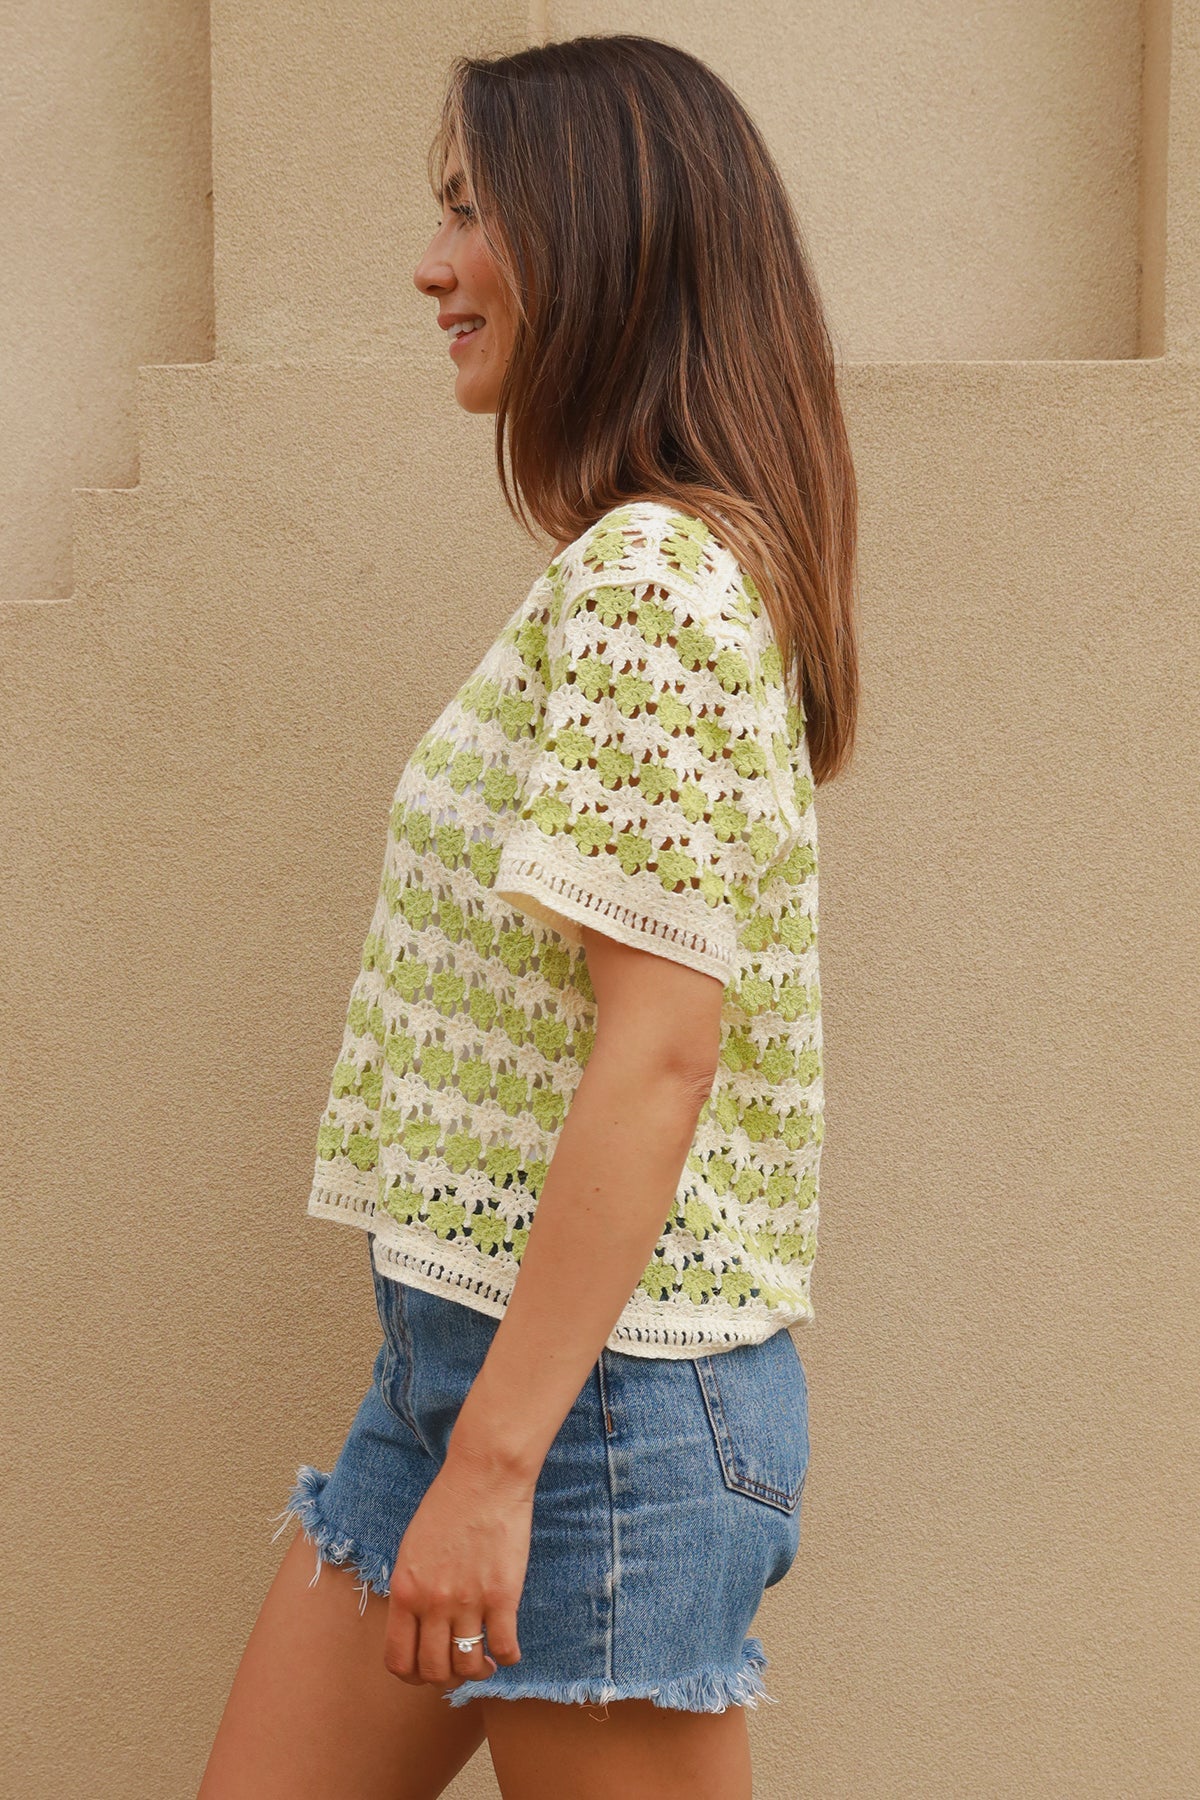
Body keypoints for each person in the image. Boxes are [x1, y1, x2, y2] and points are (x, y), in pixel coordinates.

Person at [199, 31, 858, 1800]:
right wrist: (467, 1439)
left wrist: (498, 1469)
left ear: (599, 236)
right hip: (467, 1372)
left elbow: (659, 1055)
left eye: (469, 215)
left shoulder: (654, 582)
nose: (430, 267)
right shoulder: (638, 569)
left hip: (594, 1421)